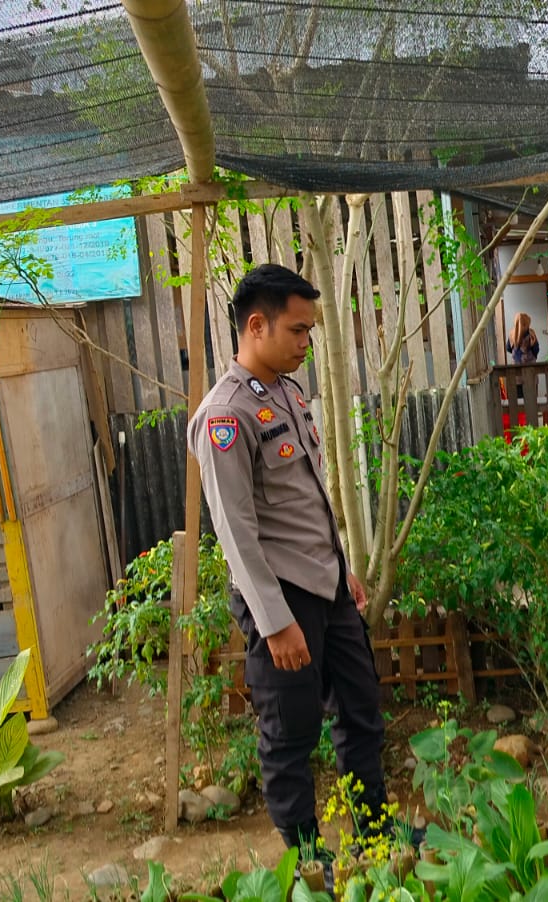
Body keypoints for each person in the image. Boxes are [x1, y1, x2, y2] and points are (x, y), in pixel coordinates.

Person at [186, 264, 391, 856]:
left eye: (309, 331)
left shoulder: (286, 393)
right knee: (291, 734)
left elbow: (307, 498)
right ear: (257, 325)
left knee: (361, 712)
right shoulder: (226, 417)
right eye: (298, 330)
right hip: (281, 598)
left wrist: (342, 567)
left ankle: (376, 840)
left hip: (327, 587)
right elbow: (235, 533)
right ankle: (308, 863)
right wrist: (275, 623)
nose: (306, 343)